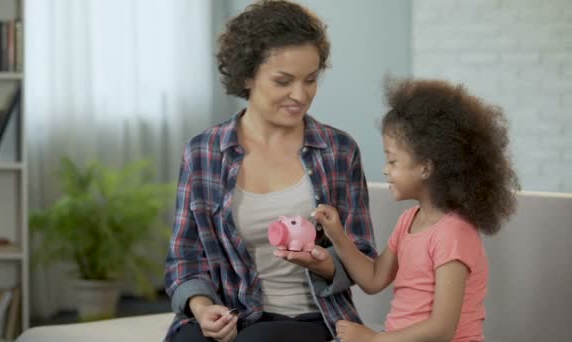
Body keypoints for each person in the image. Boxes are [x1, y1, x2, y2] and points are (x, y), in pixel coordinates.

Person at [164, 1, 377, 341]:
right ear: (247, 75)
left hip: (309, 318)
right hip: (229, 311)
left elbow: (363, 255)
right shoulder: (202, 152)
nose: (300, 94)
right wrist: (204, 309)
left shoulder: (338, 151)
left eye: (310, 80)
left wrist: (322, 262)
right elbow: (184, 257)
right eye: (283, 81)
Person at [314, 79, 520, 342]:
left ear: (425, 167)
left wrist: (373, 339)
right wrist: (338, 237)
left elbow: (441, 329)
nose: (386, 169)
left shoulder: (453, 234)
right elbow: (374, 279)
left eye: (393, 161)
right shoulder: (408, 221)